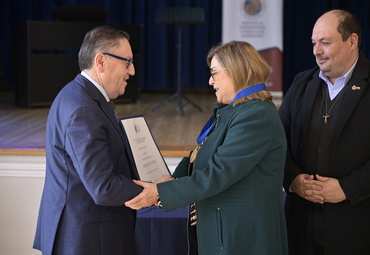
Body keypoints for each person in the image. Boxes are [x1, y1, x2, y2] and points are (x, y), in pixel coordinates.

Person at [125, 41, 288, 255]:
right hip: (227, 233)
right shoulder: (234, 112)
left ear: (237, 72)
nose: (210, 81)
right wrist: (171, 179)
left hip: (244, 238)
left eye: (214, 73)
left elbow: (218, 173)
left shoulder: (255, 116)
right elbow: (198, 155)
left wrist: (161, 193)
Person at [33, 25, 143, 255]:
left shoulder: (80, 95)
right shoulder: (83, 108)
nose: (132, 71)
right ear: (101, 61)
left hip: (88, 232)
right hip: (87, 240)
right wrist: (152, 190)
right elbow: (104, 188)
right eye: (127, 62)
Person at [279, 9, 370, 255]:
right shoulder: (301, 83)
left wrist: (347, 188)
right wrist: (293, 180)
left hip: (355, 227)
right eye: (314, 43)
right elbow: (277, 143)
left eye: (325, 43)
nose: (316, 51)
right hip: (299, 225)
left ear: (352, 41)